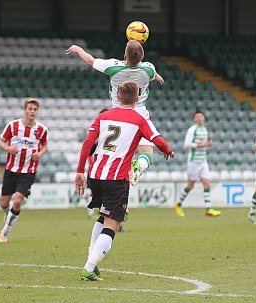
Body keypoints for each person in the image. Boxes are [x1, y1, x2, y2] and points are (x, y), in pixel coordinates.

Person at [75, 81, 174, 281]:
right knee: (113, 224)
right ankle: (88, 267)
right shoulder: (138, 119)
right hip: (117, 177)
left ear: (118, 96)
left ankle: (90, 261)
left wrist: (79, 171)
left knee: (103, 217)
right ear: (137, 99)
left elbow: (87, 143)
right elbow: (158, 141)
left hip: (96, 174)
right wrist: (168, 150)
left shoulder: (103, 116)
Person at [66, 40, 165, 187]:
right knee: (148, 154)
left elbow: (90, 60)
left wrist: (78, 49)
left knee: (118, 160)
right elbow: (152, 73)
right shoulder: (148, 69)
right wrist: (157, 76)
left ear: (124, 55)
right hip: (140, 117)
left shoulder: (113, 66)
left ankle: (114, 198)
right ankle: (137, 167)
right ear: (142, 56)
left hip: (118, 118)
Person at [0, 98, 48, 243]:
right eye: (30, 109)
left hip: (28, 172)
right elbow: (1, 141)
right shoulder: (13, 126)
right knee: (4, 203)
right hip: (11, 170)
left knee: (18, 201)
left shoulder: (41, 130)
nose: (32, 111)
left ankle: (4, 233)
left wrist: (40, 154)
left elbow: (45, 145)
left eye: (35, 109)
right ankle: (7, 215)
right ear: (25, 110)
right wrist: (8, 148)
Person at [174, 110, 221, 218]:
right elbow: (186, 144)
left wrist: (207, 145)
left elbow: (202, 144)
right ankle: (178, 204)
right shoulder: (192, 130)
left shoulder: (204, 129)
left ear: (204, 118)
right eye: (197, 117)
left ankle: (208, 209)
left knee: (207, 184)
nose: (199, 118)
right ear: (194, 119)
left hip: (203, 161)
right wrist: (200, 145)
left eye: (201, 116)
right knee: (191, 186)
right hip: (194, 162)